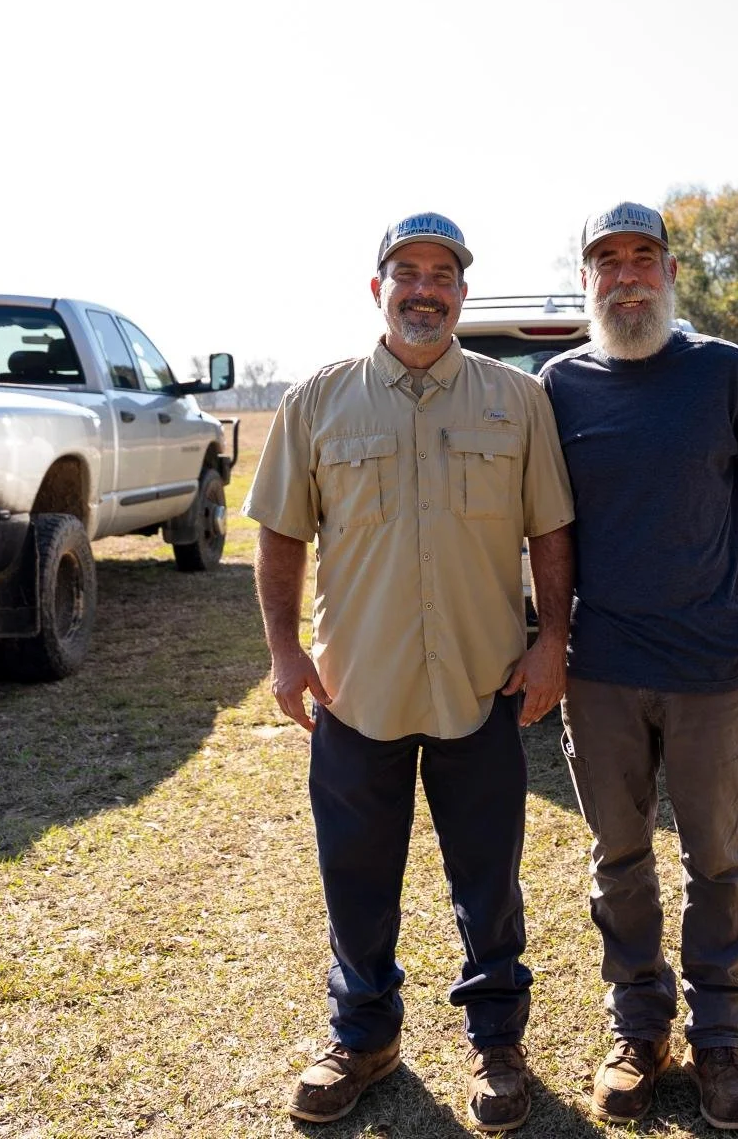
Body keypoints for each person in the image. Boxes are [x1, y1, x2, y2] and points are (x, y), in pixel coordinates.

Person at [248, 212, 575, 1132]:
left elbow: (551, 528)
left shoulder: (517, 401)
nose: (424, 289)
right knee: (355, 877)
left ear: (462, 293)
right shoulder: (317, 401)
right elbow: (280, 532)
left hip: (483, 684)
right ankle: (362, 1035)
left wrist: (552, 640)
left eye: (442, 275)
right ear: (378, 288)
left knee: (489, 880)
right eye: (408, 273)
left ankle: (497, 1043)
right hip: (357, 688)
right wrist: (284, 653)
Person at [538, 201, 738, 1131]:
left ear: (671, 271)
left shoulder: (723, 371)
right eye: (607, 261)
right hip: (599, 671)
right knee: (618, 859)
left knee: (717, 862)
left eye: (642, 257)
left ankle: (720, 1040)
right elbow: (539, 526)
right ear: (587, 281)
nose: (627, 276)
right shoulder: (559, 387)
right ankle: (640, 1031)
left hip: (708, 671)